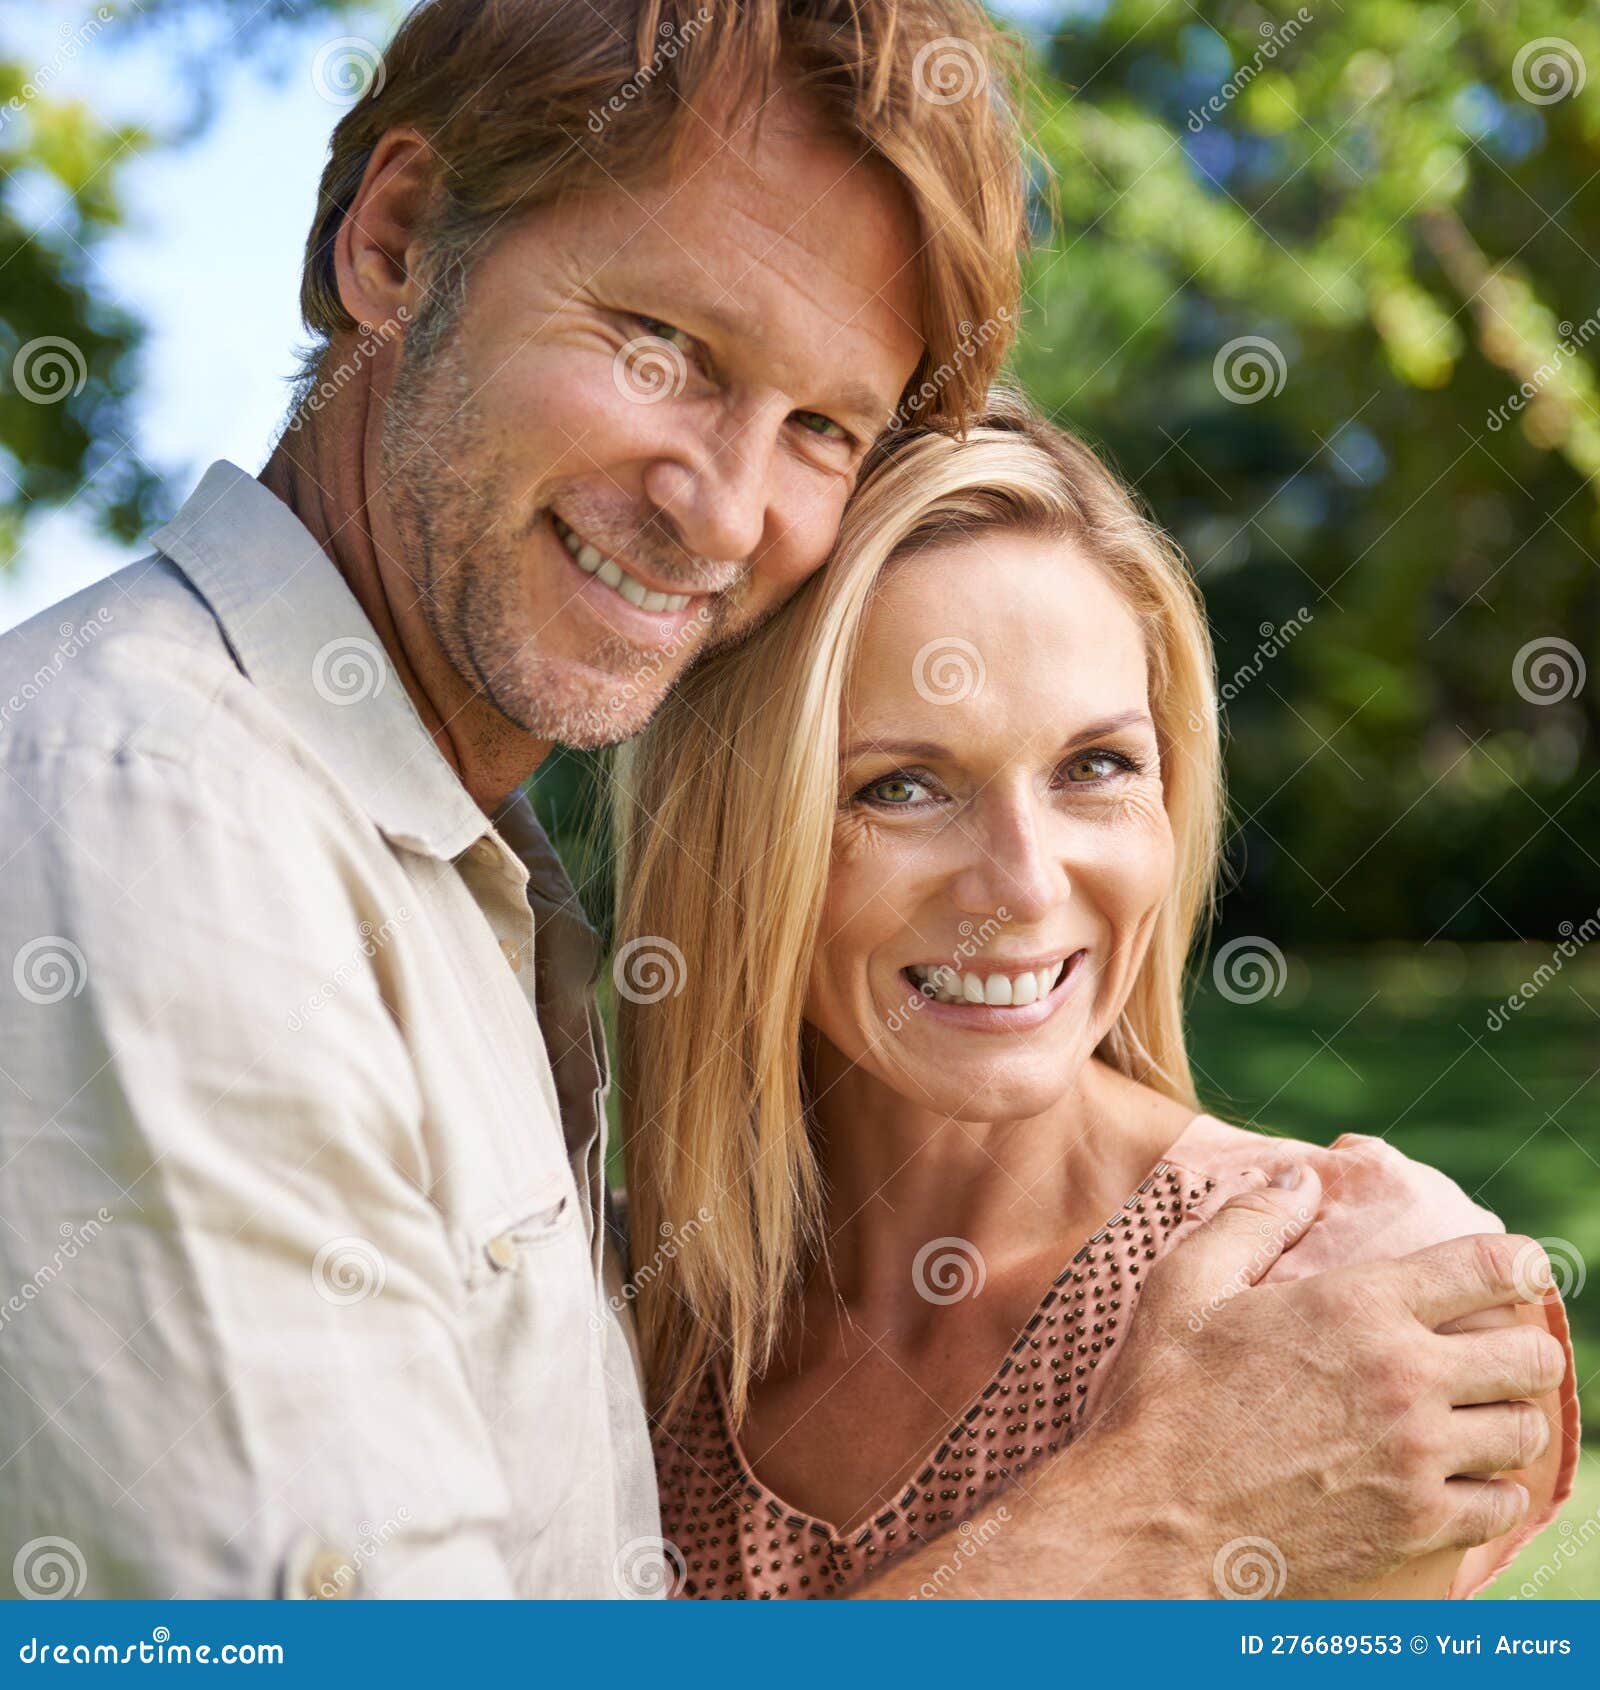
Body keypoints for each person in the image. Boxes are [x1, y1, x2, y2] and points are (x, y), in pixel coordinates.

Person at [0, 0, 1567, 1603]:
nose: (726, 509)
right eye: (663, 349)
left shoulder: (1339, 1305)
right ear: (396, 242)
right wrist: (1155, 1515)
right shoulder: (159, 821)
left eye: (822, 424)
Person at [616, 392, 1580, 1599]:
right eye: (902, 785)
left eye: (1096, 766)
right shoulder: (617, 1320)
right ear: (730, 833)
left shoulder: (1342, 1295)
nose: (1023, 884)